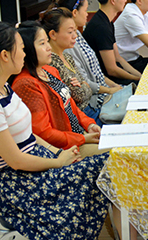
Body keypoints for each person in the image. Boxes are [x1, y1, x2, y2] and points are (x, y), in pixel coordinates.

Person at [0, 21, 110, 240]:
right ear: (5, 56)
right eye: (22, 47)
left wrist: (57, 153)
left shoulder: (2, 88)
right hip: (22, 185)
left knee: (108, 162)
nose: (25, 53)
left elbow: (29, 134)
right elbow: (16, 161)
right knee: (107, 163)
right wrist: (59, 162)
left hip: (36, 165)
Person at [11, 21, 103, 158]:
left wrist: (89, 125)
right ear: (27, 49)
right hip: (64, 149)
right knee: (116, 155)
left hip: (79, 136)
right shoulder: (26, 84)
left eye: (47, 42)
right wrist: (83, 139)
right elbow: (44, 133)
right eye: (42, 44)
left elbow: (71, 105)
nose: (49, 48)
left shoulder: (49, 71)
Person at [59, 0, 124, 113]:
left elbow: (96, 72)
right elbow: (85, 82)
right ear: (74, 13)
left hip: (103, 90)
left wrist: (114, 86)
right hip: (94, 100)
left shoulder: (78, 33)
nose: (87, 14)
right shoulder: (68, 45)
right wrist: (110, 90)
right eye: (85, 10)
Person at [41, 7, 104, 125]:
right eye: (70, 32)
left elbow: (84, 85)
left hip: (90, 110)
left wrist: (83, 85)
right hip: (79, 119)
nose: (75, 36)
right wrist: (84, 86)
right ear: (53, 34)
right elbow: (80, 95)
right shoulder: (51, 64)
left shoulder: (68, 57)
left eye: (75, 31)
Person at [83, 0, 142, 85]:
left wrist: (139, 76)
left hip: (112, 74)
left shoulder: (107, 21)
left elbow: (118, 58)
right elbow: (112, 69)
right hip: (105, 81)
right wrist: (137, 80)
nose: (125, 0)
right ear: (113, 0)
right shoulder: (101, 26)